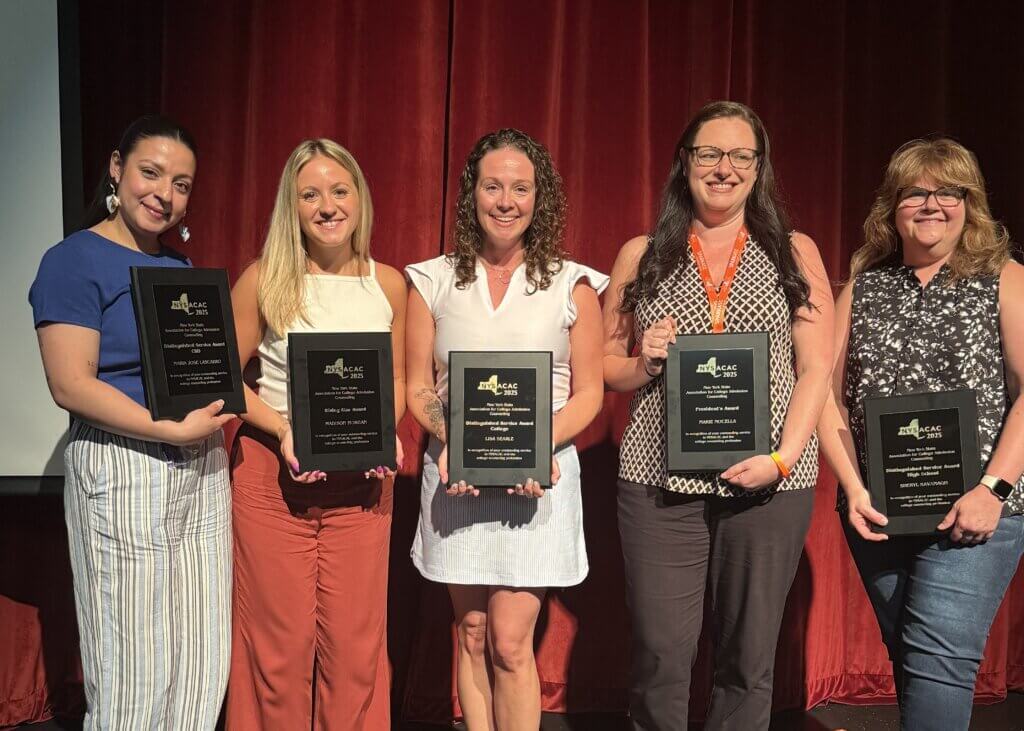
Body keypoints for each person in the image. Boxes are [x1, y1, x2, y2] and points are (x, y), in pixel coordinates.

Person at [602, 100, 834, 730]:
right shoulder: (641, 253)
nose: (723, 168)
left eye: (740, 155)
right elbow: (605, 366)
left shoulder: (795, 252)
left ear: (759, 169)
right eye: (709, 153)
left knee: (748, 660)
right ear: (685, 163)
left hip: (769, 480)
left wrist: (782, 459)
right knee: (659, 656)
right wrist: (644, 360)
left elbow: (816, 370)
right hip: (657, 480)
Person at [28, 115, 233, 729]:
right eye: (150, 173)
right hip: (123, 465)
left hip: (200, 467)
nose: (164, 194)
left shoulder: (182, 271)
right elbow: (70, 383)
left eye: (182, 183)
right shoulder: (73, 259)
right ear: (116, 169)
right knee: (133, 667)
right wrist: (166, 428)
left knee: (200, 662)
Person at [817, 137, 1024, 731]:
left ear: (971, 202)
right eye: (916, 191)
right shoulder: (863, 287)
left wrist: (994, 490)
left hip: (979, 510)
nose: (932, 204)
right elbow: (824, 396)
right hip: (878, 512)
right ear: (893, 204)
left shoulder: (1002, 279)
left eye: (949, 192)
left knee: (938, 663)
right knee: (913, 659)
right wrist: (852, 487)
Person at [405, 128, 606, 730]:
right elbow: (418, 386)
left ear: (540, 198)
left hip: (538, 480)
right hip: (455, 476)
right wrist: (454, 445)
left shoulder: (573, 283)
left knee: (511, 643)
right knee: (469, 632)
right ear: (472, 193)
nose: (506, 200)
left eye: (521, 188)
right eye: (493, 186)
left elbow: (591, 390)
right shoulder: (433, 279)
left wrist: (535, 448)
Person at [225, 139, 406, 730]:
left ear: (359, 197)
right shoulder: (264, 279)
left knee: (355, 651)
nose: (327, 206)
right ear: (292, 206)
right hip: (274, 485)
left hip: (364, 489)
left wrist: (387, 430)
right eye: (310, 195)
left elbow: (398, 376)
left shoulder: (389, 284)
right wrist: (283, 429)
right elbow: (222, 377)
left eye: (338, 190)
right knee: (278, 651)